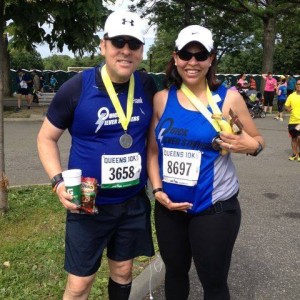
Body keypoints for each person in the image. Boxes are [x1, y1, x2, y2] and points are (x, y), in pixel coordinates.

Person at [37, 10, 156, 300]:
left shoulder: (148, 85)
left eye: (134, 44)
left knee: (123, 271)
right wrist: (57, 181)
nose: (126, 50)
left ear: (141, 51)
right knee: (79, 286)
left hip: (131, 202)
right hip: (88, 204)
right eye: (118, 42)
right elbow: (46, 138)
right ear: (103, 45)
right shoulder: (77, 86)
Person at [147, 25, 265, 300]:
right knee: (175, 275)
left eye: (201, 55)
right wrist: (157, 191)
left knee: (212, 282)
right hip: (169, 209)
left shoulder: (229, 98)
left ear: (211, 59)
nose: (192, 62)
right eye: (186, 54)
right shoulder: (161, 100)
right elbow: (152, 152)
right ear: (175, 57)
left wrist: (250, 146)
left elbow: (258, 140)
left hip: (214, 210)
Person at [285, 79, 300, 161]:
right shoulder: (291, 96)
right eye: (297, 84)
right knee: (294, 138)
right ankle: (295, 154)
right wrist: (288, 109)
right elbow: (286, 106)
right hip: (292, 121)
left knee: (299, 137)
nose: (298, 85)